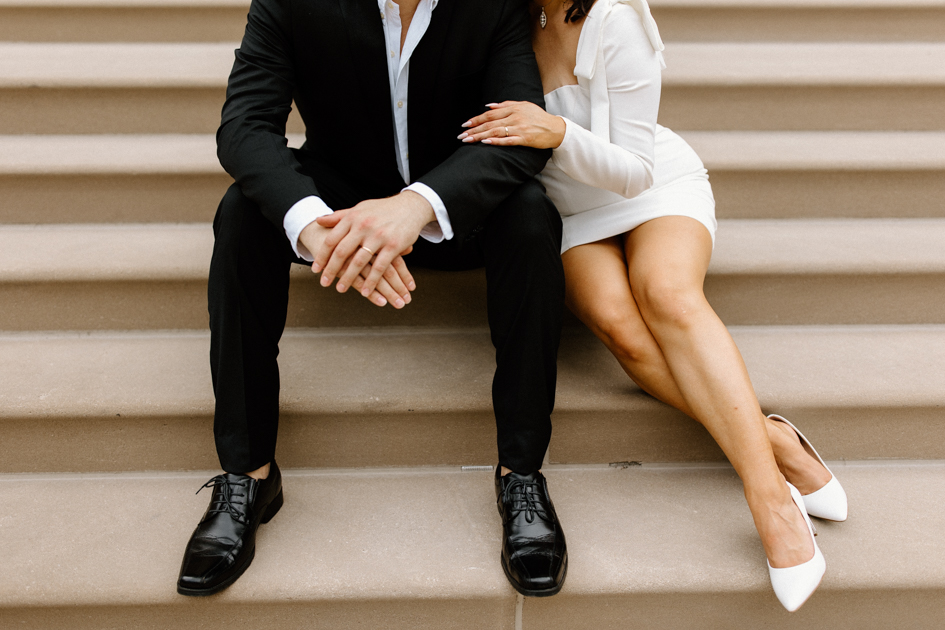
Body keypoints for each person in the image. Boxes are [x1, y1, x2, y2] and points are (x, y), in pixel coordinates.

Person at [459, 0, 848, 611]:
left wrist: (557, 131)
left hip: (651, 186)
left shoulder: (616, 20)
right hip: (571, 213)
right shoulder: (505, 19)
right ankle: (772, 438)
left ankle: (770, 501)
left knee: (665, 295)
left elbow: (636, 170)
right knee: (623, 331)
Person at [177, 0, 568, 598]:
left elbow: (521, 132)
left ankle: (520, 473)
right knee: (240, 215)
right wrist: (312, 226)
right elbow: (245, 126)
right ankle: (248, 473)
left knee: (531, 215)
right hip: (344, 205)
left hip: (451, 207)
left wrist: (417, 206)